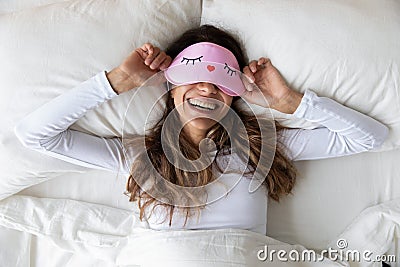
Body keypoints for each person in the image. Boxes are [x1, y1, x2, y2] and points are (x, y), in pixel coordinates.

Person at [14, 25, 389, 235]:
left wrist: (291, 102)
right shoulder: (137, 158)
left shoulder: (261, 149)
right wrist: (116, 81)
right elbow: (35, 135)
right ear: (170, 85)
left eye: (221, 80)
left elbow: (371, 137)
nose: (208, 88)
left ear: (235, 95)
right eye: (193, 75)